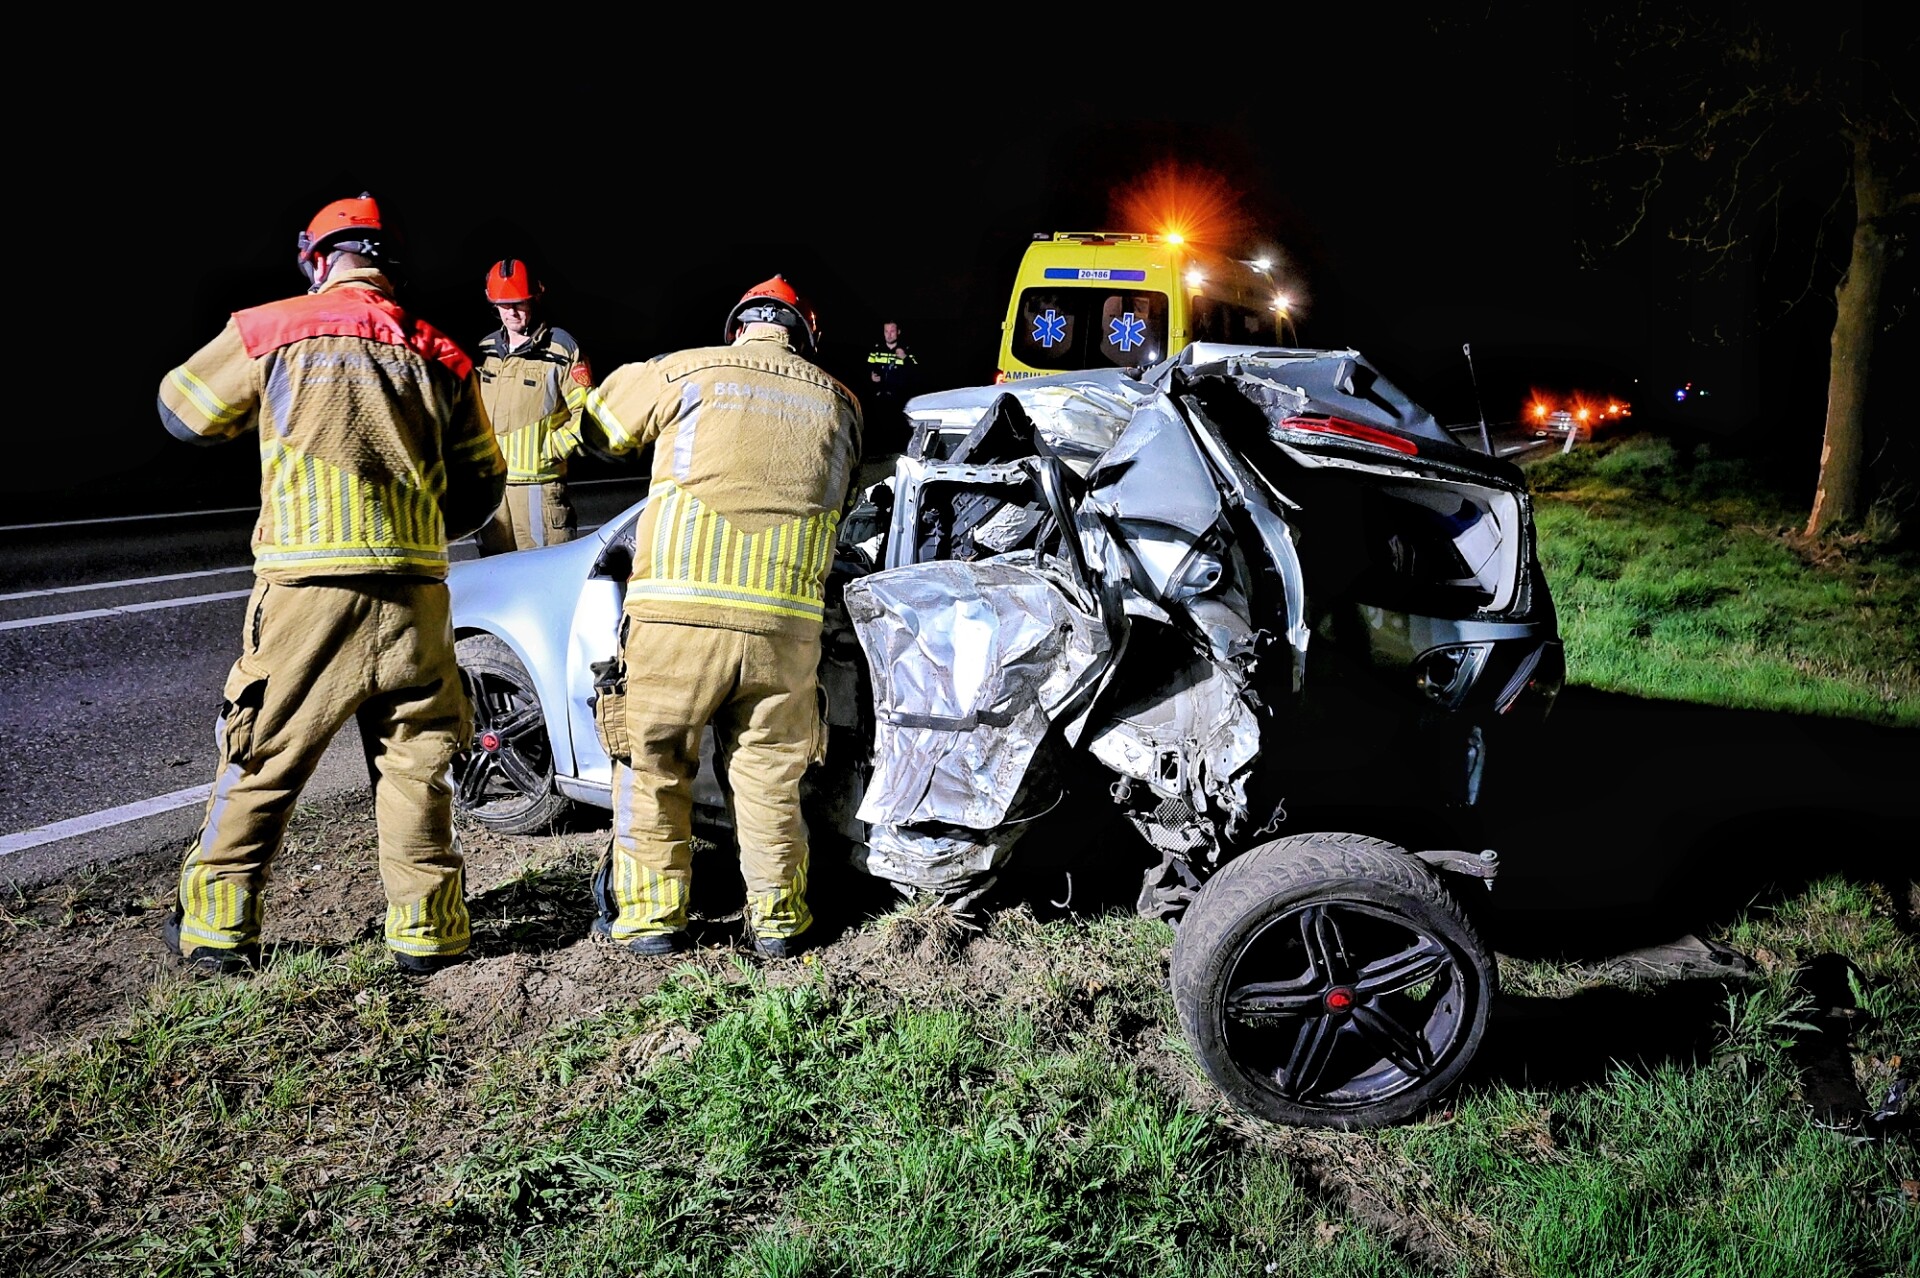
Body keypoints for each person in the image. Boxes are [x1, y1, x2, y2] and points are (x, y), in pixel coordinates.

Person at [156, 193, 507, 976]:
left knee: (264, 753)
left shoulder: (272, 327)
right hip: (416, 592)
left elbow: (182, 412)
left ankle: (216, 928)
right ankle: (430, 934)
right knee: (418, 763)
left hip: (309, 585)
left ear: (316, 258)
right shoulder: (441, 351)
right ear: (385, 264)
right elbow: (484, 484)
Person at [582, 275, 863, 958]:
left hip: (677, 619)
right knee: (769, 775)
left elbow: (597, 431)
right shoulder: (843, 404)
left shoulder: (688, 368)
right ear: (804, 334)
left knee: (654, 765)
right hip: (784, 629)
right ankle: (779, 925)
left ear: (740, 325)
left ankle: (652, 923)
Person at [473, 259, 594, 554]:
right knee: (495, 578)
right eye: (504, 305)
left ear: (535, 298)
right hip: (494, 491)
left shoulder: (562, 349)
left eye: (519, 303)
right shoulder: (485, 351)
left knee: (543, 578)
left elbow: (589, 413)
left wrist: (550, 450)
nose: (512, 312)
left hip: (539, 490)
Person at [864, 319, 918, 454]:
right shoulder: (876, 349)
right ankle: (878, 451)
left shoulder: (907, 349)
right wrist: (870, 376)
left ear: (898, 332)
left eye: (892, 331)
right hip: (880, 395)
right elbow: (867, 367)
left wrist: (905, 358)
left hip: (900, 397)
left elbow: (917, 370)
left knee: (898, 426)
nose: (889, 335)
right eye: (886, 331)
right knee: (878, 424)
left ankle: (897, 451)